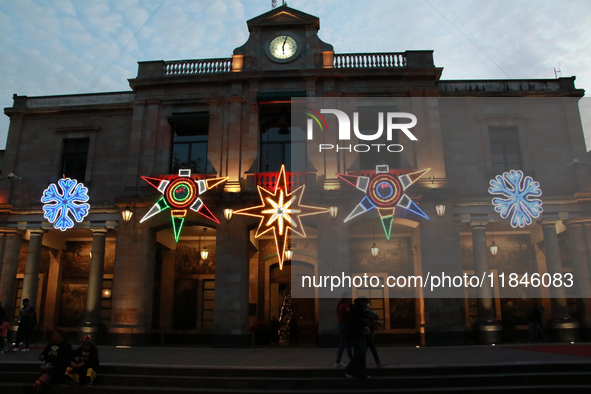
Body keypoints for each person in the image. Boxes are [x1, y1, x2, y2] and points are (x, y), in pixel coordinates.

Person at [344, 296, 371, 379]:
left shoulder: (359, 309)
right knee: (360, 354)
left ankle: (362, 373)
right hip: (356, 334)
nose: (367, 305)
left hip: (359, 333)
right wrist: (363, 322)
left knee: (362, 355)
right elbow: (353, 322)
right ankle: (348, 369)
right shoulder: (356, 310)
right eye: (366, 303)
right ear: (362, 302)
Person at [334, 292, 353, 368]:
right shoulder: (343, 306)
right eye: (349, 295)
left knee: (343, 344)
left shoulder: (346, 305)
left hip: (343, 325)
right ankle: (352, 359)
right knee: (347, 343)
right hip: (343, 325)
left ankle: (338, 361)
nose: (350, 297)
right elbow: (344, 317)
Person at [365, 303, 386, 368]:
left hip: (367, 333)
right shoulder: (368, 313)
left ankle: (377, 362)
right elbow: (375, 316)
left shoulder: (364, 312)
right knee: (371, 348)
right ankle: (378, 362)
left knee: (366, 349)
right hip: (368, 333)